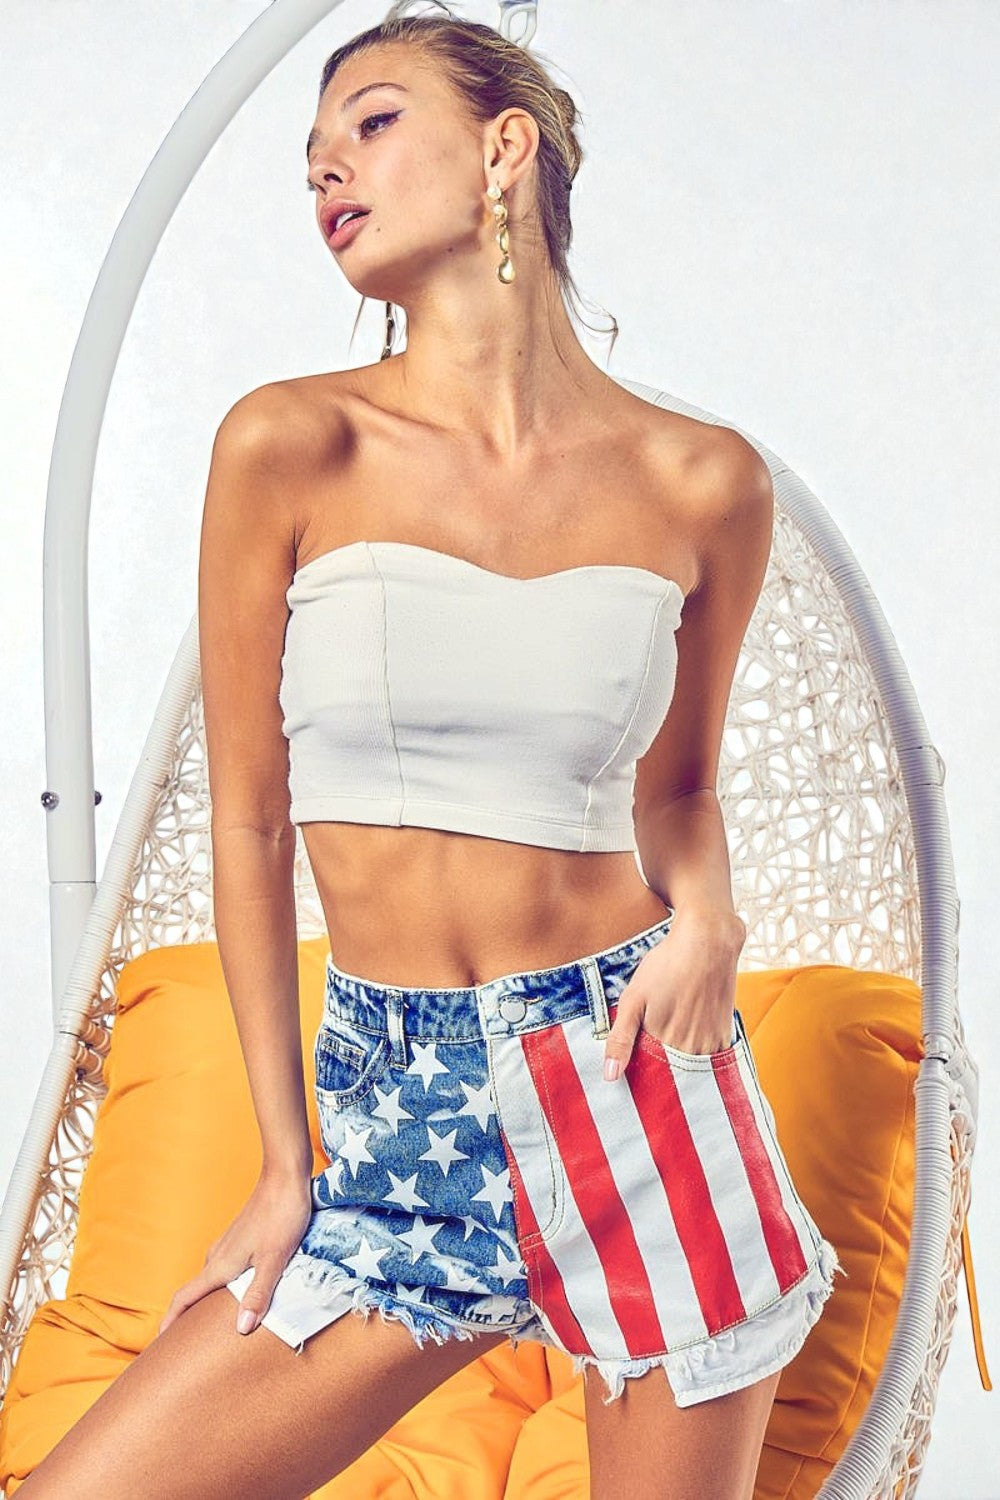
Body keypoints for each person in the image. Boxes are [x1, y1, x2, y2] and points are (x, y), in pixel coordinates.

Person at [17, 5, 840, 1497]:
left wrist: (714, 920)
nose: (327, 169)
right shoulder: (288, 446)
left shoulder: (700, 480)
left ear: (503, 150)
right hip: (397, 1118)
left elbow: (678, 791)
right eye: (311, 156)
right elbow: (251, 824)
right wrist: (288, 1163)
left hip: (639, 1093)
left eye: (374, 122)